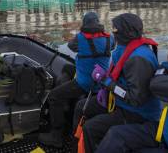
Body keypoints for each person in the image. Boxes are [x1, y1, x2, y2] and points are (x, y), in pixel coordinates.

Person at [75, 13, 160, 153]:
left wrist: (106, 82)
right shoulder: (124, 47)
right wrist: (105, 87)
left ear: (125, 33)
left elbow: (135, 99)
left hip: (136, 113)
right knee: (81, 106)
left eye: (115, 29)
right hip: (118, 101)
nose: (113, 32)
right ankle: (77, 144)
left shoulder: (138, 59)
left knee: (90, 128)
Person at [38, 11, 114, 148]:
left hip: (85, 83)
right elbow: (112, 47)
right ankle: (67, 106)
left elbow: (71, 47)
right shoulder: (110, 39)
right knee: (68, 67)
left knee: (54, 96)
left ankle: (56, 136)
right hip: (101, 82)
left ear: (85, 24)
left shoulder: (80, 38)